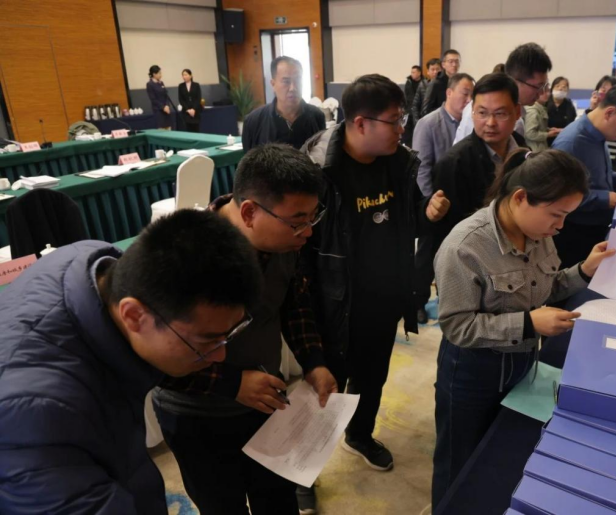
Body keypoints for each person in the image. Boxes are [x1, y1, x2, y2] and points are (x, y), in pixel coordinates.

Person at [0, 210, 261, 514]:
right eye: (206, 341)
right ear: (134, 315)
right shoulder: (36, 420)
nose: (220, 356)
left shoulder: (94, 267)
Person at [153, 145, 336, 515]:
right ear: (250, 212)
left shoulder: (284, 238)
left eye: (312, 217)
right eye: (298, 221)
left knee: (278, 500)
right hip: (197, 416)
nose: (307, 232)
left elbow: (293, 302)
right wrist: (231, 383)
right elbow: (153, 360)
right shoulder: (179, 258)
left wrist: (314, 360)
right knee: (223, 506)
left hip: (266, 403)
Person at [431, 149, 616, 510]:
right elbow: (457, 326)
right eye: (556, 214)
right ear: (520, 198)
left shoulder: (537, 231)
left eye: (566, 216)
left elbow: (546, 287)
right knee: (459, 465)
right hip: (472, 373)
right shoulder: (465, 247)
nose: (560, 226)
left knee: (498, 460)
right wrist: (529, 323)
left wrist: (584, 270)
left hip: (522, 363)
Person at [302, 74, 450, 474]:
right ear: (360, 123)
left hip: (383, 300)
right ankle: (303, 470)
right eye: (394, 120)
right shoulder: (319, 170)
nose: (402, 128)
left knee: (372, 377)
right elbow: (301, 246)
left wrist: (428, 213)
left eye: (402, 119)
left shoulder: (397, 162)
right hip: (335, 302)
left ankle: (359, 434)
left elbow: (411, 217)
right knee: (325, 386)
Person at [551, 81, 616, 268]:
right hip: (575, 234)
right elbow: (559, 197)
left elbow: (588, 176)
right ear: (610, 112)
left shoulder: (598, 135)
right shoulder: (572, 143)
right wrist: (604, 198)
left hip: (595, 228)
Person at [412, 72, 475, 323]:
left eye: (472, 95)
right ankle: (416, 302)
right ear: (449, 93)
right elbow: (421, 167)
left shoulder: (471, 124)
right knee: (426, 257)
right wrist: (431, 204)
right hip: (435, 205)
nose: (468, 100)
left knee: (454, 258)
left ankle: (448, 302)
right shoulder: (429, 123)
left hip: (461, 206)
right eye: (465, 93)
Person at [433, 73, 520, 248]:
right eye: (482, 113)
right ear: (472, 111)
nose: (490, 122)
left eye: (500, 113)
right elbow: (449, 233)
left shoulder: (523, 151)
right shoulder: (454, 164)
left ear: (517, 112)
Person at [455, 43, 553, 146]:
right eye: (538, 86)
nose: (542, 92)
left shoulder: (518, 114)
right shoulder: (479, 112)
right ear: (516, 82)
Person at [242, 56, 326, 152]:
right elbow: (249, 159)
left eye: (298, 80)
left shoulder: (317, 116)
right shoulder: (254, 121)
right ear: (273, 84)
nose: (293, 88)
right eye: (286, 81)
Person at [582, 75, 616, 168]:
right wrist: (592, 108)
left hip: (610, 158)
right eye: (603, 90)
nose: (605, 94)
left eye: (610, 90)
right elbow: (583, 129)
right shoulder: (588, 112)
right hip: (590, 156)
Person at [421, 49, 462, 117]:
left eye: (457, 61)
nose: (454, 64)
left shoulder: (460, 82)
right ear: (443, 64)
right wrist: (447, 111)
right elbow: (426, 110)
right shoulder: (436, 83)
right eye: (451, 61)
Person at [523, 87, 560, 151]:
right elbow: (530, 133)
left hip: (540, 148)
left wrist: (548, 129)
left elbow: (538, 126)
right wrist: (548, 134)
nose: (548, 94)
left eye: (548, 91)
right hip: (534, 150)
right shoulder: (533, 111)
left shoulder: (540, 108)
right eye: (544, 92)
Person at [546, 76, 576, 146]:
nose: (560, 89)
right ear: (552, 88)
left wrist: (561, 130)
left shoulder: (569, 105)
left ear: (567, 91)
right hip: (545, 140)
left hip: (563, 140)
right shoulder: (545, 103)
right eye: (557, 86)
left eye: (564, 87)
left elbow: (572, 126)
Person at [411, 58, 442, 123]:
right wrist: (417, 121)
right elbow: (415, 105)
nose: (435, 72)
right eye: (432, 69)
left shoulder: (445, 85)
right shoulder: (422, 85)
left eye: (437, 69)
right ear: (428, 71)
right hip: (425, 120)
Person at [147, 65, 173, 130]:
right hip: (158, 111)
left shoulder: (161, 83)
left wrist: (167, 105)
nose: (161, 75)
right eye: (159, 73)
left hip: (166, 110)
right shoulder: (150, 84)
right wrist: (163, 107)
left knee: (169, 129)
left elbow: (166, 95)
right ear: (154, 74)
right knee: (161, 130)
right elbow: (153, 99)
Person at [178, 68, 203, 133]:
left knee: (196, 129)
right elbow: (181, 99)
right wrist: (188, 109)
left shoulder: (196, 85)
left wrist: (194, 109)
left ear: (190, 75)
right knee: (188, 130)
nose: (184, 76)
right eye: (183, 75)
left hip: (195, 111)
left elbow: (198, 98)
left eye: (186, 75)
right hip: (186, 111)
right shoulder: (181, 86)